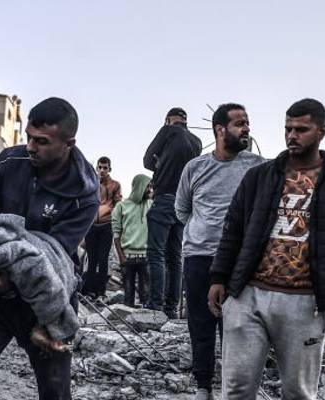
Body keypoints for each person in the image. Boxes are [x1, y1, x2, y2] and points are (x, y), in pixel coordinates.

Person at [207, 98, 325, 399]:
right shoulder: (260, 177)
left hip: (305, 302)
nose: (292, 136)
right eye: (288, 129)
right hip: (248, 295)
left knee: (299, 392)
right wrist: (218, 277)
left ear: (322, 131)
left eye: (301, 129)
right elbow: (233, 230)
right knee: (236, 389)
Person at [0, 97, 98, 400]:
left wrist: (6, 275)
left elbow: (54, 253)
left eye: (41, 141)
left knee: (55, 388)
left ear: (68, 143)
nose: (30, 146)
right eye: (29, 136)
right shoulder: (9, 161)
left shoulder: (85, 193)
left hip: (47, 300)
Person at [174, 103, 264, 399]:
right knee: (200, 323)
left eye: (247, 123)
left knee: (236, 325)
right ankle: (203, 386)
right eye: (240, 123)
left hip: (241, 259)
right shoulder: (195, 167)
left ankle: (231, 386)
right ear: (220, 130)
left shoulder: (256, 166)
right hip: (199, 256)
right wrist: (206, 233)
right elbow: (182, 211)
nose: (246, 129)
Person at [143, 106, 202, 316]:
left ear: (169, 120)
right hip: (184, 203)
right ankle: (171, 309)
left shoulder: (167, 131)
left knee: (156, 253)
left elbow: (147, 160)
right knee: (175, 257)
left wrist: (160, 164)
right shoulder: (196, 141)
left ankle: (155, 306)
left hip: (165, 198)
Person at [82, 156, 121, 298]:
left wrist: (114, 220)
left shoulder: (115, 185)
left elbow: (118, 205)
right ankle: (89, 291)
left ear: (109, 169)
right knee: (91, 259)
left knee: (103, 259)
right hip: (91, 226)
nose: (102, 170)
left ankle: (101, 292)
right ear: (97, 168)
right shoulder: (91, 184)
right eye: (100, 167)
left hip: (106, 226)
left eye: (105, 167)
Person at [112, 174, 152, 308]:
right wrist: (121, 257)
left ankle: (146, 325)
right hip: (127, 257)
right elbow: (116, 234)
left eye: (151, 187)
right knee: (128, 296)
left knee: (146, 295)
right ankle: (127, 326)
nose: (150, 190)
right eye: (148, 187)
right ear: (139, 187)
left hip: (146, 257)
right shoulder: (121, 207)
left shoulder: (152, 205)